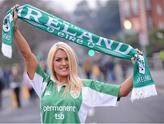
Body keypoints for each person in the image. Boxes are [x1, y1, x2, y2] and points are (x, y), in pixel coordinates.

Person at [12, 5, 142, 123]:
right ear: (52, 63)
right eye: (58, 60)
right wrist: (15, 29)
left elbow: (121, 91)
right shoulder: (44, 84)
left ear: (73, 61)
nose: (64, 63)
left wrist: (138, 67)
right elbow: (27, 55)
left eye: (67, 58)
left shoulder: (86, 87)